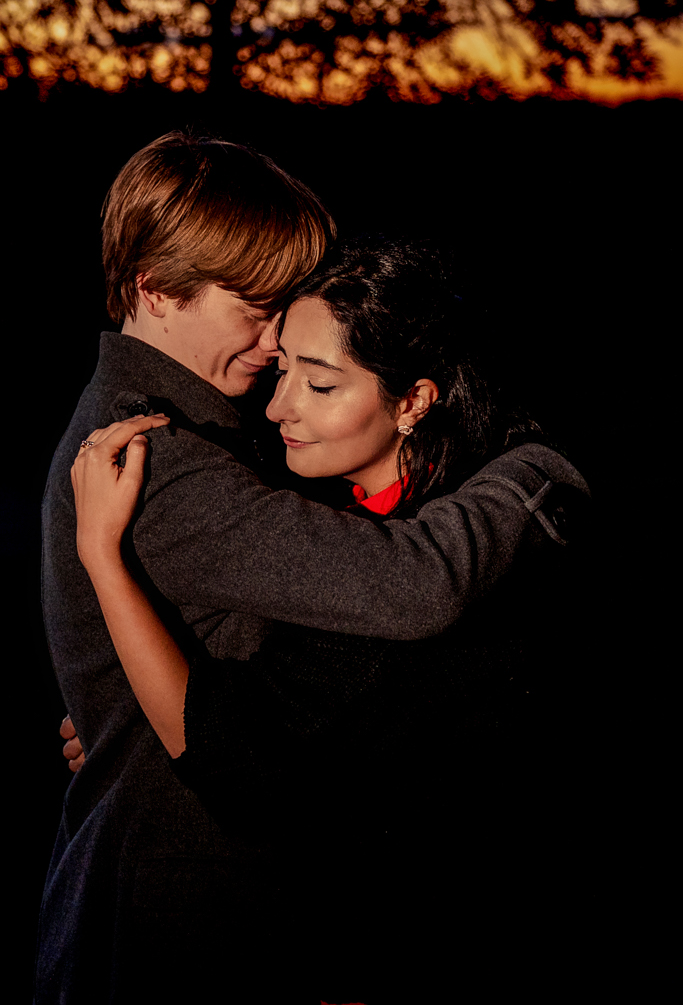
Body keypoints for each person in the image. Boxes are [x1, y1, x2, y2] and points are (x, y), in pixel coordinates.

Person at [38, 136, 581, 1004]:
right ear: (153, 288)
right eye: (254, 308)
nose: (270, 340)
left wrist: (109, 719)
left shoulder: (206, 420)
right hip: (177, 923)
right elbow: (409, 585)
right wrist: (534, 470)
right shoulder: (156, 459)